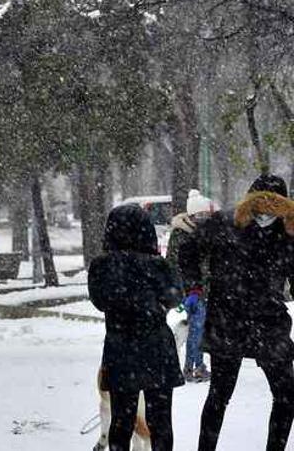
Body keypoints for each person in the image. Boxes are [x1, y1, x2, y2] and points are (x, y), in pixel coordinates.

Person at [175, 174, 294, 451]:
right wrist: (193, 289)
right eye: (261, 203)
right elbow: (188, 250)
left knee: (286, 396)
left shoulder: (288, 234)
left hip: (269, 323)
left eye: (274, 205)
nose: (267, 210)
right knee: (220, 394)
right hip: (228, 321)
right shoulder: (224, 224)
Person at [88, 204, 183, 451]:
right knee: (160, 420)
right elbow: (174, 296)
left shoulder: (101, 266)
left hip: (121, 348)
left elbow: (99, 302)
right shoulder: (158, 265)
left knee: (121, 421)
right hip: (157, 349)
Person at [166, 221, 210, 382]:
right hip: (192, 289)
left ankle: (193, 366)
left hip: (196, 288)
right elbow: (174, 263)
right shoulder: (182, 234)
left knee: (196, 328)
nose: (203, 217)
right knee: (196, 328)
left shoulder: (193, 232)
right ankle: (193, 367)